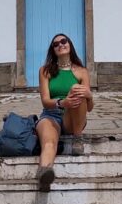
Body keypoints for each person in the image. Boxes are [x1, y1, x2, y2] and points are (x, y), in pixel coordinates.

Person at [35, 33, 94, 192]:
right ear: (53, 50)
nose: (60, 45)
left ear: (69, 45)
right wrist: (62, 102)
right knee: (49, 143)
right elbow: (45, 101)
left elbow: (89, 108)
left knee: (77, 90)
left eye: (63, 41)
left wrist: (89, 95)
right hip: (51, 114)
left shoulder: (81, 72)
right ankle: (44, 174)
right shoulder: (45, 71)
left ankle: (77, 138)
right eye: (56, 44)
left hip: (73, 117)